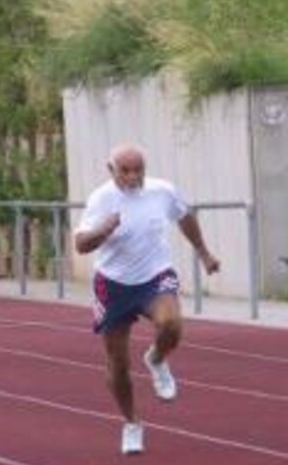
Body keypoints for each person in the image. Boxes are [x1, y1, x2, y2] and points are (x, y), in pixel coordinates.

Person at [74, 144, 220, 455]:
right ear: (110, 170)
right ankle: (131, 423)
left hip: (154, 275)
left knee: (171, 324)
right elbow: (81, 245)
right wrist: (103, 229)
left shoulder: (162, 191)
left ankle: (156, 358)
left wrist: (204, 253)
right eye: (125, 170)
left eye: (139, 169)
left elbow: (185, 216)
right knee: (118, 365)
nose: (134, 176)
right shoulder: (101, 199)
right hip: (112, 285)